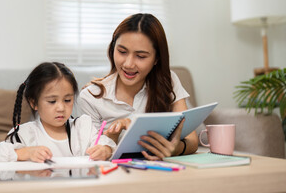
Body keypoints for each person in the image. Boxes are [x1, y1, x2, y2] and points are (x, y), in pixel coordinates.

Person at [78, 13, 198, 160]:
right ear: (112, 49)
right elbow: (92, 153)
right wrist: (111, 140)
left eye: (141, 56)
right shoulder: (91, 96)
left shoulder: (168, 81)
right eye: (122, 52)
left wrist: (175, 148)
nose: (128, 64)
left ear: (156, 59)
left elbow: (192, 141)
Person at [0, 62, 115, 162]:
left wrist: (105, 150)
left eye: (67, 100)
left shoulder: (82, 128)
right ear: (34, 103)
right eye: (52, 101)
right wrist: (25, 152)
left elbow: (107, 145)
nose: (61, 107)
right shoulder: (25, 134)